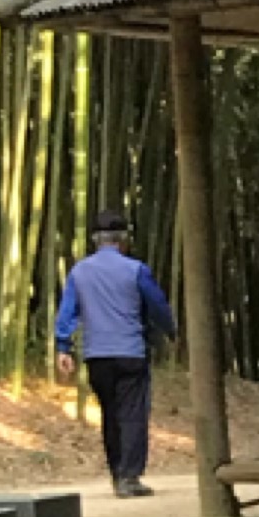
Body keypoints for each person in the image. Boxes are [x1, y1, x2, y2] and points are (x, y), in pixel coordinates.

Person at [53, 210, 177, 497]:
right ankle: (129, 476)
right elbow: (157, 305)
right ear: (123, 239)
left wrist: (63, 347)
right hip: (130, 351)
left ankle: (117, 472)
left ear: (95, 240)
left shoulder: (79, 272)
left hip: (97, 355)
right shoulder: (136, 270)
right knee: (132, 414)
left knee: (110, 415)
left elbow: (67, 312)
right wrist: (171, 330)